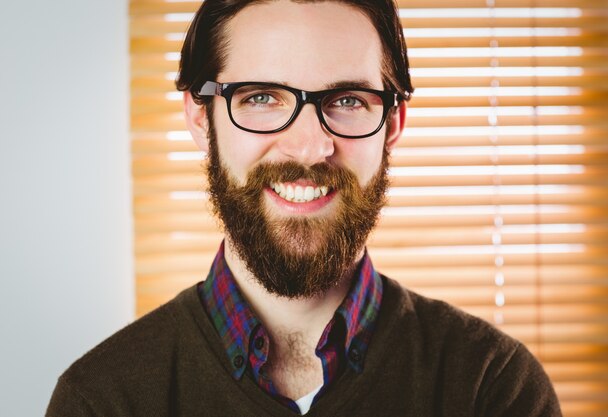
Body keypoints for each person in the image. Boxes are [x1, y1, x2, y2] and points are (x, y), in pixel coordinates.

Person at [47, 0, 562, 415]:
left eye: (348, 100)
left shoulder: (492, 387)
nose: (309, 147)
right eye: (262, 98)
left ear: (395, 124)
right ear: (201, 119)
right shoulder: (102, 400)